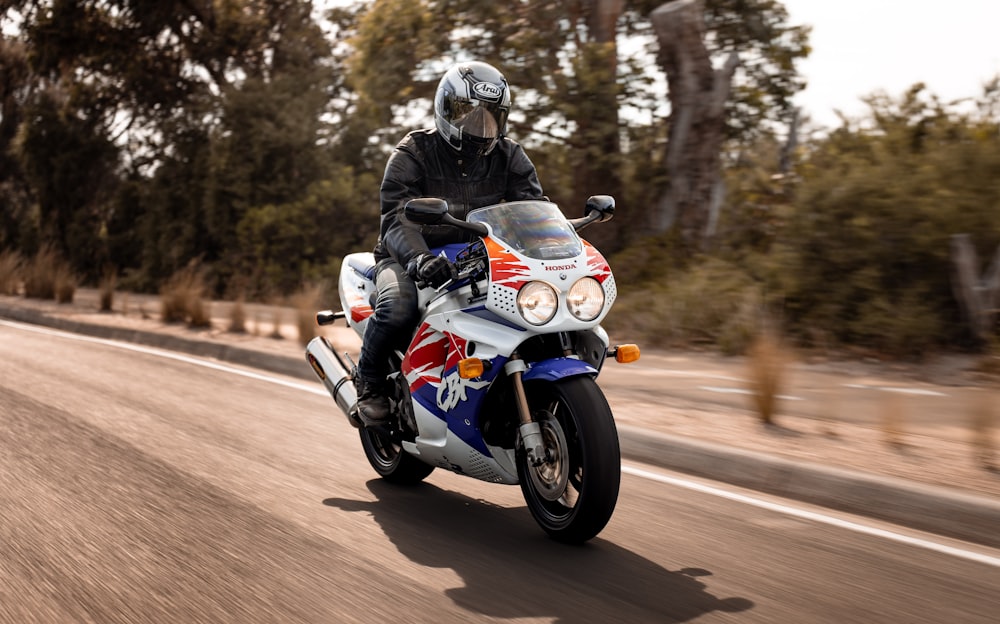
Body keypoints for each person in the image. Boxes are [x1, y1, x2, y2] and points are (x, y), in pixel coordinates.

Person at [355, 60, 544, 425]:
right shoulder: (414, 152)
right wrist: (420, 259)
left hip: (481, 255)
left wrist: (551, 241)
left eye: (490, 115)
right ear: (445, 108)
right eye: (469, 114)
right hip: (407, 256)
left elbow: (535, 209)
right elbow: (396, 219)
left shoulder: (510, 155)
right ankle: (370, 381)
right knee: (398, 308)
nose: (480, 125)